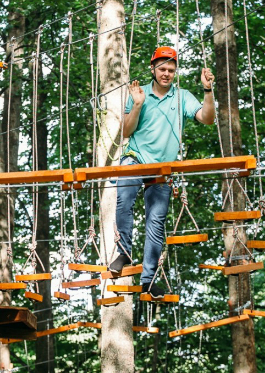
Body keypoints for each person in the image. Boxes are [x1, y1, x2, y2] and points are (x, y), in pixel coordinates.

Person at [109, 46, 215, 298]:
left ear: (175, 71)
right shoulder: (139, 92)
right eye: (162, 69)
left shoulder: (183, 96)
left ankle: (149, 280)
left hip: (163, 168)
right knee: (124, 199)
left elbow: (208, 118)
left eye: (171, 70)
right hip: (135, 158)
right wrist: (136, 105)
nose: (166, 74)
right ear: (153, 69)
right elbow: (126, 131)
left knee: (156, 222)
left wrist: (208, 91)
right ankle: (124, 252)